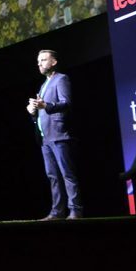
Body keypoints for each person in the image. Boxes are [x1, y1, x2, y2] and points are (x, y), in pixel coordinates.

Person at [27, 49, 83, 220]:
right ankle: (57, 212)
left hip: (59, 134)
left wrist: (47, 105)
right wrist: (33, 111)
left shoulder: (61, 79)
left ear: (53, 62)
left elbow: (66, 103)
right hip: (45, 138)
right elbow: (42, 110)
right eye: (38, 61)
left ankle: (75, 211)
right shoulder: (43, 85)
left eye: (43, 60)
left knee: (67, 173)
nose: (40, 64)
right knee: (52, 176)